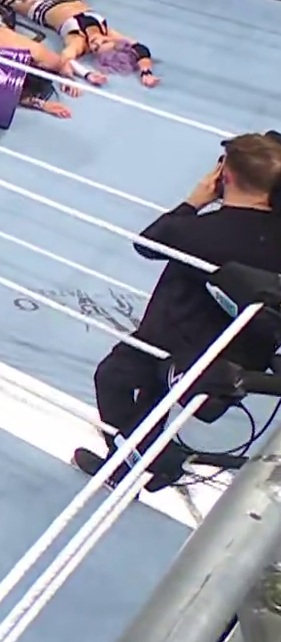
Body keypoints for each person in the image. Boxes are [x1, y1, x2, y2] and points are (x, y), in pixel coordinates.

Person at [74, 135, 281, 491]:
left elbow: (147, 243)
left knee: (112, 377)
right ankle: (135, 465)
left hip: (180, 347)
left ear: (225, 176)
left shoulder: (199, 231)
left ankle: (145, 463)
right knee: (151, 395)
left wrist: (193, 202)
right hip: (242, 354)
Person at [0, 0, 156, 86]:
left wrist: (87, 74)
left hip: (43, 10)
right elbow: (141, 49)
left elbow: (65, 58)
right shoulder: (109, 32)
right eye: (103, 42)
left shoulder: (78, 42)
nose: (95, 43)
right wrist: (145, 72)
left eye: (95, 49)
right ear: (112, 40)